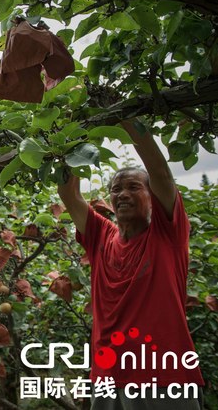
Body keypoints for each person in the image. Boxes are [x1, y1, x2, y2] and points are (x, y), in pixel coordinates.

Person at [57, 119, 204, 409]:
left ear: (152, 197)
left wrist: (124, 115)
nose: (122, 194)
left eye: (134, 187)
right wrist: (71, 133)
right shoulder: (101, 237)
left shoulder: (167, 235)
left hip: (165, 377)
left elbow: (160, 172)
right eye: (116, 189)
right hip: (107, 379)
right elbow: (68, 195)